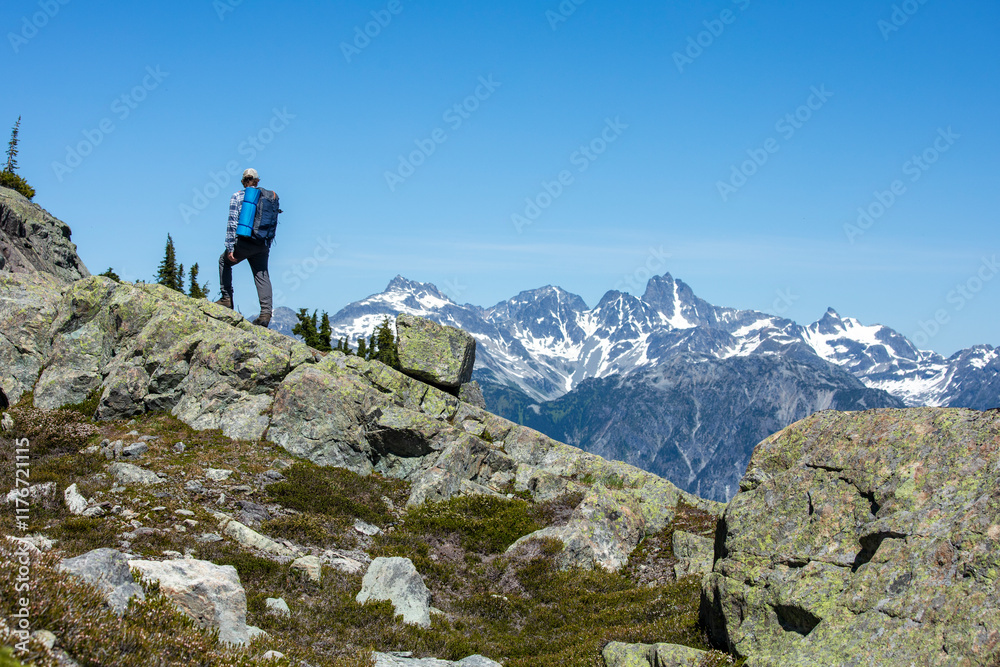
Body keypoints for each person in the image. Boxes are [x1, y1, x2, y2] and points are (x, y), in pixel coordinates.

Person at [216, 168, 274, 327]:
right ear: (257, 181)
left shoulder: (237, 196)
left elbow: (232, 222)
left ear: (243, 181)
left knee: (224, 261)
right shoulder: (266, 197)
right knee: (262, 275)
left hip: (244, 242)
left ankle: (226, 299)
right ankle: (265, 313)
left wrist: (230, 247)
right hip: (262, 243)